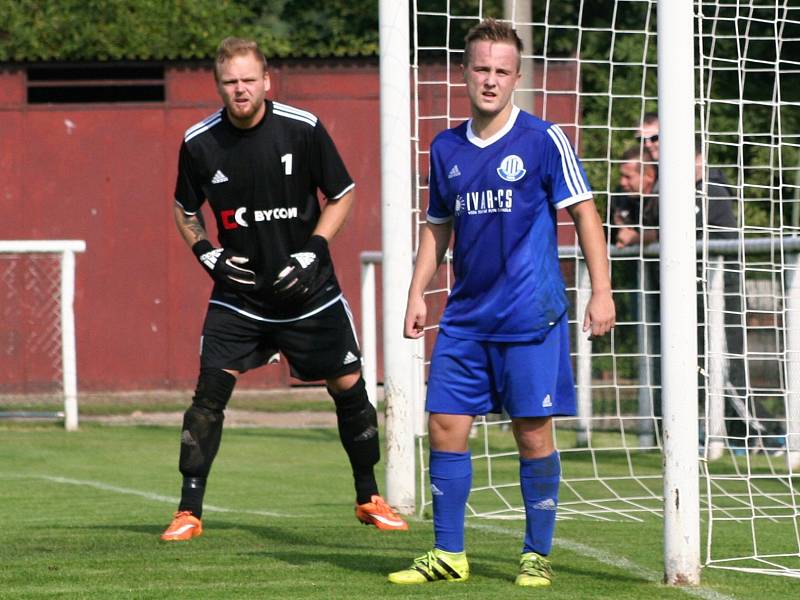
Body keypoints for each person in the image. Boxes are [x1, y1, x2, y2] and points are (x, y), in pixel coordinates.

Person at [387, 19, 615, 587]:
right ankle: (448, 555)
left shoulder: (543, 139)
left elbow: (584, 213)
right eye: (481, 68)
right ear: (464, 72)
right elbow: (437, 228)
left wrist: (602, 291)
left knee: (533, 434)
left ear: (517, 77)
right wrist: (418, 292)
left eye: (501, 71)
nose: (490, 80)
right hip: (465, 317)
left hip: (530, 316)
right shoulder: (445, 147)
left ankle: (536, 554)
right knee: (443, 425)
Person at [160, 37, 407, 541]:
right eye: (230, 82)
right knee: (208, 396)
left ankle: (368, 496)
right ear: (219, 86)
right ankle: (188, 511)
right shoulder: (199, 142)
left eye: (249, 80)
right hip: (241, 297)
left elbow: (342, 195)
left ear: (266, 81)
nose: (240, 90)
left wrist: (313, 249)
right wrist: (207, 253)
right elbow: (185, 210)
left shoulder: (303, 129)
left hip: (308, 291)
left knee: (349, 389)